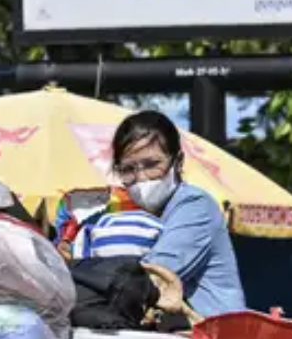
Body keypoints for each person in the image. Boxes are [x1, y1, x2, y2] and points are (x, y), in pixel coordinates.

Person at [61, 110, 246, 318]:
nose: (141, 178)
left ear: (178, 162)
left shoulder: (196, 205)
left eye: (152, 165)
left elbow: (151, 276)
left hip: (216, 338)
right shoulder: (131, 214)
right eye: (128, 169)